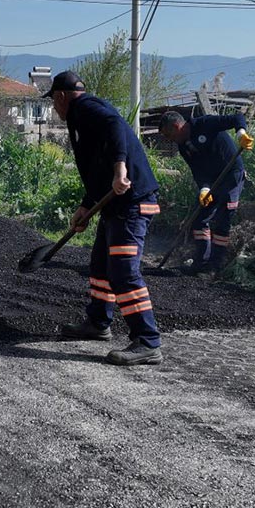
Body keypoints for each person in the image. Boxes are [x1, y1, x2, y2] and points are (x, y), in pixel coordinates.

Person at [46, 71, 163, 366]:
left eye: (53, 102)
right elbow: (98, 167)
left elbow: (115, 127)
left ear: (60, 96)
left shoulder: (85, 108)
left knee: (123, 270)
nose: (54, 109)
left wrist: (120, 169)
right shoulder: (82, 117)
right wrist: (86, 205)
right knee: (100, 265)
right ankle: (98, 323)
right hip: (113, 204)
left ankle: (147, 341)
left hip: (132, 203)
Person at [158, 110, 254, 271]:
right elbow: (198, 171)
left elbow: (237, 117)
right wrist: (204, 189)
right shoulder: (184, 147)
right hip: (211, 182)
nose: (169, 140)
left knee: (223, 217)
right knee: (200, 218)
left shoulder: (204, 124)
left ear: (176, 126)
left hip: (231, 173)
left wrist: (241, 134)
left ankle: (215, 266)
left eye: (169, 135)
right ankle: (201, 263)